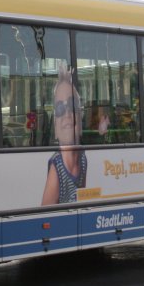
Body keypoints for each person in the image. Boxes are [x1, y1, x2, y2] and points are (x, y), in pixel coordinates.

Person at [42, 66, 88, 205]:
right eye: (60, 108)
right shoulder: (56, 168)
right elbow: (44, 215)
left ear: (80, 118)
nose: (67, 113)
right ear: (55, 127)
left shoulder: (83, 158)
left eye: (72, 106)